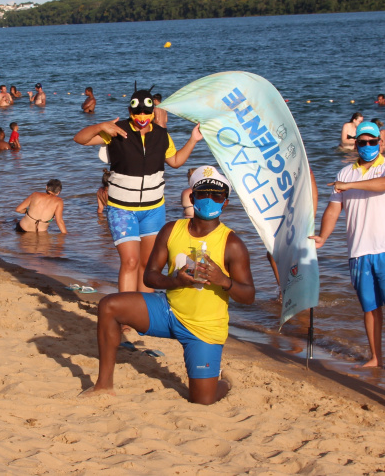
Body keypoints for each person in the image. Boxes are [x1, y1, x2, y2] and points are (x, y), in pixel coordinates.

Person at [81, 166, 255, 403]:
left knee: (203, 400)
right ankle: (103, 385)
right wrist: (175, 281)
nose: (210, 200)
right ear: (192, 197)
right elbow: (150, 276)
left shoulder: (232, 244)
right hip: (167, 311)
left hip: (204, 329)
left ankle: (223, 381)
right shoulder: (172, 229)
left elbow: (248, 296)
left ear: (225, 203)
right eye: (203, 194)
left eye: (217, 196)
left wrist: (223, 281)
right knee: (109, 306)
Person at [73, 87, 202, 295]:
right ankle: (125, 316)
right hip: (122, 209)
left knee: (148, 264)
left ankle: (142, 315)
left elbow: (176, 161)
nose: (142, 117)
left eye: (146, 112)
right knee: (130, 262)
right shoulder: (116, 130)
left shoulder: (161, 135)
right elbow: (80, 139)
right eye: (137, 112)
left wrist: (193, 139)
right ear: (130, 111)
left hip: (154, 209)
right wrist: (100, 126)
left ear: (152, 113)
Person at [310, 121, 385, 382]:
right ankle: (375, 357)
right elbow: (333, 209)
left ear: (380, 142)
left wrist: (350, 187)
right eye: (362, 142)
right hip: (358, 251)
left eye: (372, 142)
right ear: (355, 144)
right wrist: (323, 236)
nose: (367, 146)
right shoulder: (345, 173)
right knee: (370, 308)